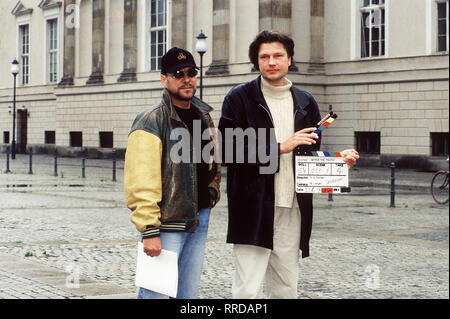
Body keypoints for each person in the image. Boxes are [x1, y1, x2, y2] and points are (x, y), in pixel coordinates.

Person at [218, 30, 359, 299]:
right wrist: (281, 146)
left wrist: (339, 167)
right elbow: (230, 150)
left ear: (289, 59)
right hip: (253, 207)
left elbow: (308, 157)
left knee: (286, 288)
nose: (271, 61)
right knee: (246, 289)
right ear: (256, 62)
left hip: (293, 207)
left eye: (278, 55)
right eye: (265, 57)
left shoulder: (306, 102)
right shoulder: (238, 98)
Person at [124, 47, 221, 299]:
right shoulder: (150, 120)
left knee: (187, 294)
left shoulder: (204, 116)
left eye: (191, 72)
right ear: (163, 79)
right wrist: (149, 230)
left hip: (198, 217)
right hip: (167, 223)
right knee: (156, 293)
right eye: (178, 73)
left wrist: (212, 191)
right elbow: (140, 178)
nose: (186, 79)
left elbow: (212, 160)